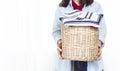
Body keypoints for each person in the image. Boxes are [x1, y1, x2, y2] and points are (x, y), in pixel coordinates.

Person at [52, 0, 107, 71]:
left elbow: (102, 29)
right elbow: (56, 30)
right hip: (68, 61)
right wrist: (60, 42)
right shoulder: (61, 8)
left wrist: (98, 44)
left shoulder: (96, 6)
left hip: (90, 60)